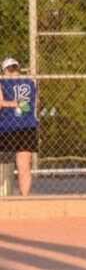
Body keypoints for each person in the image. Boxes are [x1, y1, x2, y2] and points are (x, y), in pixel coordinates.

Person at [0, 57, 38, 196]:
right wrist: (17, 103)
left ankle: (21, 199)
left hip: (7, 127)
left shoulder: (3, 82)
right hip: (27, 126)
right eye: (11, 69)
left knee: (21, 166)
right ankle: (25, 198)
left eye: (12, 69)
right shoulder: (30, 82)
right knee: (24, 166)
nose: (12, 72)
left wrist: (13, 103)